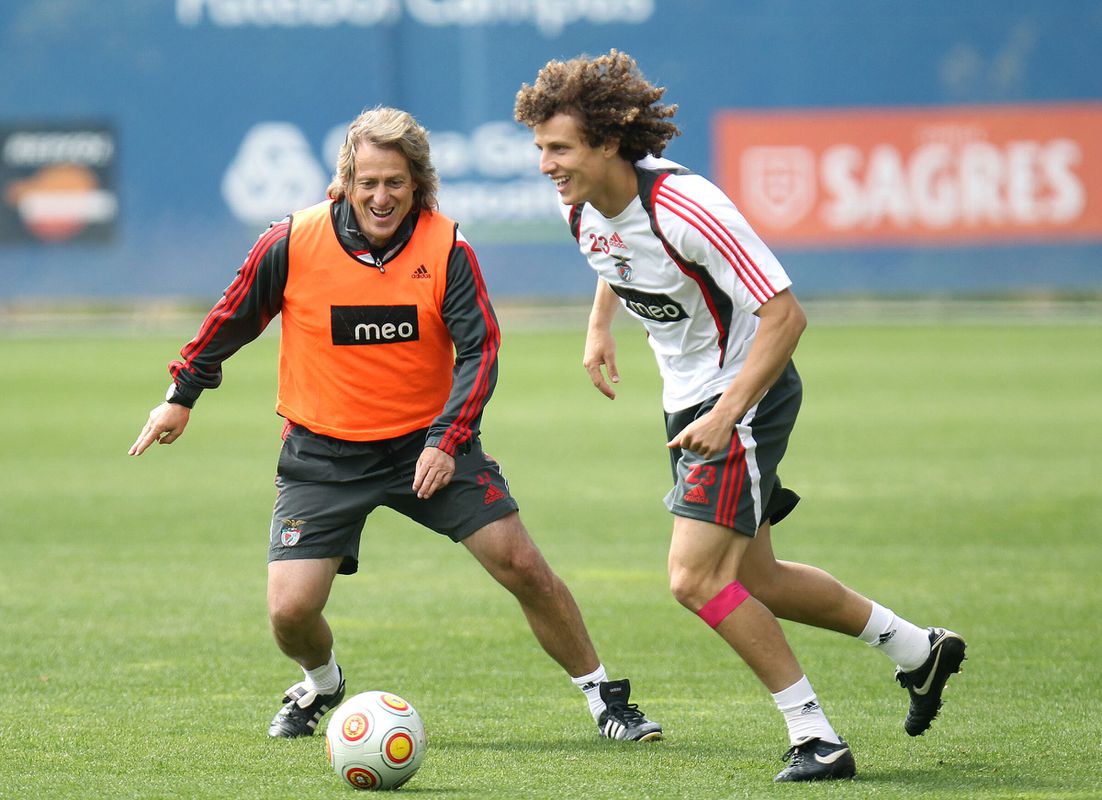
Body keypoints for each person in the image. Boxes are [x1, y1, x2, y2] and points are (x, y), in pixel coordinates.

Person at [128, 106, 661, 744]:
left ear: (419, 185)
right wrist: (180, 395)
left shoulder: (448, 248)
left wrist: (445, 439)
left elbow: (480, 352)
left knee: (520, 563)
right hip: (322, 454)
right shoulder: (292, 241)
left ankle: (605, 698)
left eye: (397, 183)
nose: (382, 197)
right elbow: (232, 317)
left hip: (427, 447)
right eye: (369, 182)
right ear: (346, 182)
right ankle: (323, 683)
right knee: (290, 614)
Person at [514, 51, 967, 783]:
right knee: (758, 577)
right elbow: (614, 255)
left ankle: (816, 736)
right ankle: (918, 649)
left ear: (606, 143)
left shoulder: (688, 210)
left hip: (744, 396)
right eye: (539, 148)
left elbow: (786, 317)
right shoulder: (582, 204)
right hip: (690, 404)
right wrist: (600, 326)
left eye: (558, 148)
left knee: (693, 578)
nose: (545, 164)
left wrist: (729, 412)